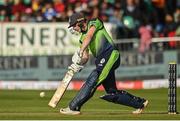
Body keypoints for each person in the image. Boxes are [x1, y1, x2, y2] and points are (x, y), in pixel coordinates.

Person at [60, 12, 148, 115]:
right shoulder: (81, 39)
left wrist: (80, 51)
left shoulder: (94, 22)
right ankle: (139, 103)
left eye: (73, 25)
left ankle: (73, 107)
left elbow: (89, 36)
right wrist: (77, 64)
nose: (73, 29)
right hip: (102, 61)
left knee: (93, 79)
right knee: (111, 92)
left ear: (80, 22)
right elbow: (85, 56)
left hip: (110, 55)